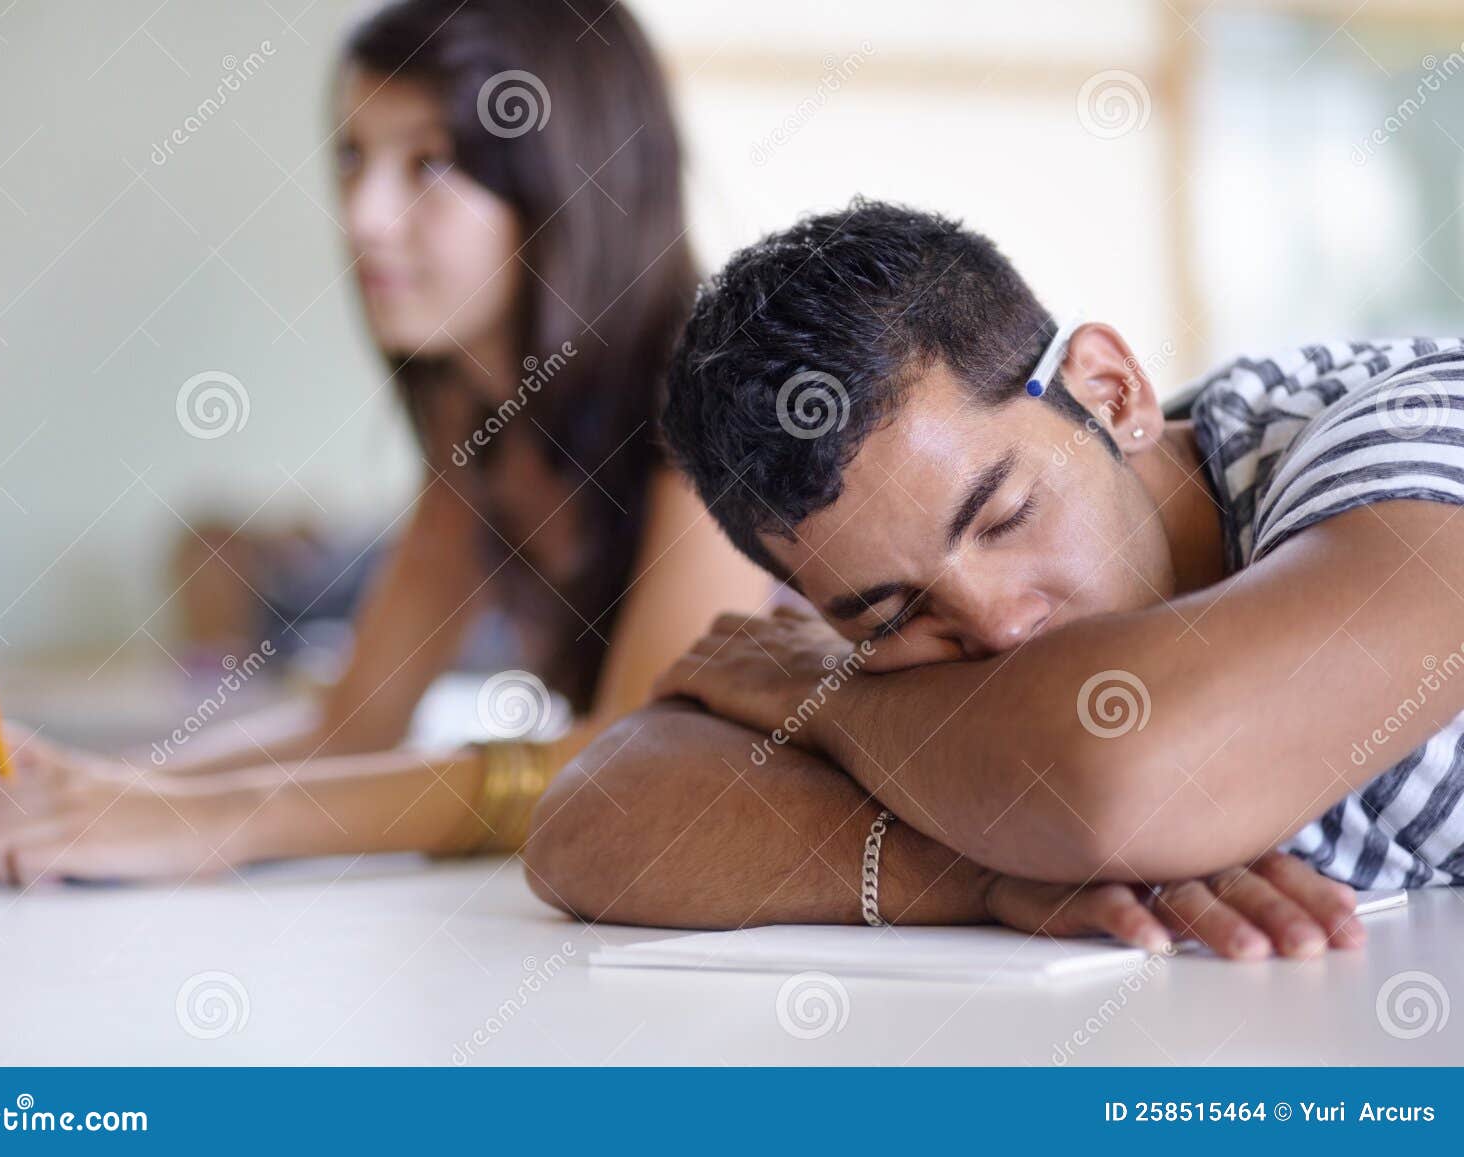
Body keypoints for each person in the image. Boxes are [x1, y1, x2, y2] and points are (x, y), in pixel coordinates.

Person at [0, 0, 770, 882]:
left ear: (569, 183)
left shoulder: (710, 397)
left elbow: (630, 764)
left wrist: (220, 821)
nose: (365, 218)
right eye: (353, 157)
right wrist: (112, 791)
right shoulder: (475, 417)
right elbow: (356, 721)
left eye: (429, 162)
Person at [524, 199, 1464, 957]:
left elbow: (1121, 768)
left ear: (1110, 389)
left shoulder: (1417, 436)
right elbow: (590, 820)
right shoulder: (905, 628)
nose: (997, 627)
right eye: (890, 613)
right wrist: (982, 872)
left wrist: (813, 693)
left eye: (1005, 517)